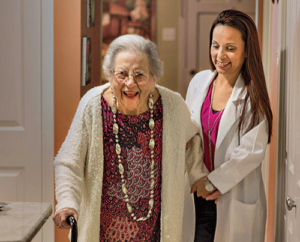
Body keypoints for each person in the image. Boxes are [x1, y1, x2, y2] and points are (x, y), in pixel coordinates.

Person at [52, 34, 207, 241]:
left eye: (140, 75)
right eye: (122, 74)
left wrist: (198, 174)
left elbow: (192, 137)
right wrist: (67, 202)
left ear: (154, 77)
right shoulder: (93, 105)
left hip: (155, 233)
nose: (130, 83)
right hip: (102, 234)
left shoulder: (172, 106)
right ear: (110, 74)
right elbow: (69, 161)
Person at [186, 10, 273, 242]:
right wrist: (199, 179)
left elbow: (250, 153)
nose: (220, 55)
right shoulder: (198, 83)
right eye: (216, 46)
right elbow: (188, 135)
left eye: (230, 48)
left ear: (246, 52)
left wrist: (213, 182)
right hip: (197, 195)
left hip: (231, 195)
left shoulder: (253, 97)